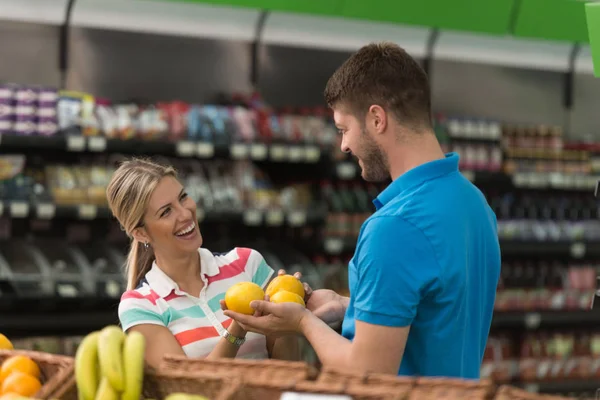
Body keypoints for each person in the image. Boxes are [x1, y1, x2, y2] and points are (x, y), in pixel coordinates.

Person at [224, 42, 502, 379]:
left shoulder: (394, 227)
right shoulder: (473, 202)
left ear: (376, 118)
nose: (343, 145)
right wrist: (348, 307)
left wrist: (302, 322)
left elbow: (367, 371)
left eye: (344, 129)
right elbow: (436, 315)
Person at [107, 158, 306, 368]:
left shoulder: (246, 264)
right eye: (166, 211)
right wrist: (237, 328)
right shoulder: (141, 305)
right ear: (140, 233)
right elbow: (186, 384)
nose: (185, 213)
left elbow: (288, 367)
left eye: (183, 198)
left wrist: (288, 313)